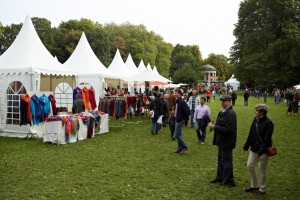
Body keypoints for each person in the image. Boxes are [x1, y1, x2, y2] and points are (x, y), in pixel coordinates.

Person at [243, 104, 274, 195]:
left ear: (262, 112)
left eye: (257, 110)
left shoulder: (268, 123)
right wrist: (246, 146)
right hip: (254, 148)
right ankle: (255, 185)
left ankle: (262, 189)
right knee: (250, 165)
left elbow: (267, 140)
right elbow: (250, 134)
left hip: (263, 150)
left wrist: (260, 152)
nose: (255, 112)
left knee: (261, 169)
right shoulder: (255, 120)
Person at [209, 95, 237, 187]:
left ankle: (228, 179)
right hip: (221, 140)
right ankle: (220, 177)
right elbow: (221, 123)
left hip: (227, 141)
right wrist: (215, 124)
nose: (222, 102)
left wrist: (215, 127)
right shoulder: (222, 112)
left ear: (229, 102)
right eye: (221, 101)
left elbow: (229, 129)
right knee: (221, 160)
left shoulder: (231, 113)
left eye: (224, 101)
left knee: (226, 161)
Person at [173, 89, 189, 154]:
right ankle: (179, 148)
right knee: (178, 134)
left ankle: (185, 147)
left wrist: (183, 118)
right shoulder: (177, 101)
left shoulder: (181, 101)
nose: (175, 94)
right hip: (176, 119)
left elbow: (187, 110)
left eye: (176, 93)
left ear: (179, 94)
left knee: (176, 135)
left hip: (179, 119)